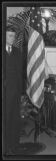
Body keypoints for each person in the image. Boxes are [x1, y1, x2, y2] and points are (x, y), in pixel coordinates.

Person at [3, 26, 23, 155]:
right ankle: (5, 147)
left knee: (15, 119)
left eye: (13, 36)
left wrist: (21, 92)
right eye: (10, 35)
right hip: (4, 93)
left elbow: (20, 73)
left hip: (15, 92)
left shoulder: (17, 51)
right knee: (5, 119)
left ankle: (14, 145)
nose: (13, 38)